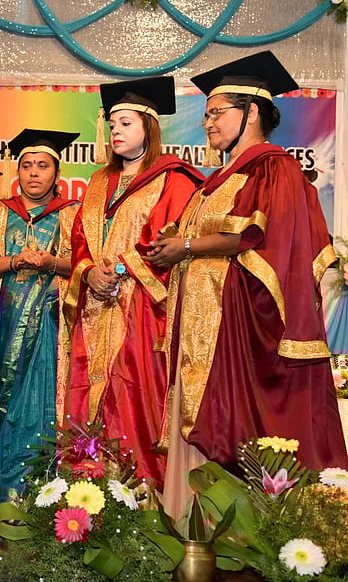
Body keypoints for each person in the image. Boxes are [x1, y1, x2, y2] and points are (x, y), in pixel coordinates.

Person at [145, 51, 348, 516]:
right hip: (202, 333)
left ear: (251, 112)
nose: (208, 124)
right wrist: (174, 244)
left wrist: (190, 248)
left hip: (237, 336)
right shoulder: (215, 181)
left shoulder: (274, 168)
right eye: (207, 115)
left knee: (236, 436)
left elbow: (262, 239)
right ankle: (190, 534)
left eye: (217, 113)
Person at [64, 77, 203, 485]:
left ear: (149, 127)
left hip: (143, 312)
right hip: (94, 311)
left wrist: (120, 269)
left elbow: (168, 240)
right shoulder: (96, 183)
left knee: (136, 394)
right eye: (112, 125)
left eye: (125, 123)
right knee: (87, 396)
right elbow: (78, 242)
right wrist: (89, 272)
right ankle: (86, 491)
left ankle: (143, 490)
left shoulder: (175, 179)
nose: (116, 132)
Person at [0, 129, 81, 500]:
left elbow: (83, 264)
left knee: (43, 400)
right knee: (0, 397)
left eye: (43, 166)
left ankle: (44, 487)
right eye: (26, 165)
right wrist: (13, 261)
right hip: (1, 323)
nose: (34, 173)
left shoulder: (71, 215)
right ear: (17, 171)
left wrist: (51, 261)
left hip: (51, 326)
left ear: (57, 173)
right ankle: (1, 488)